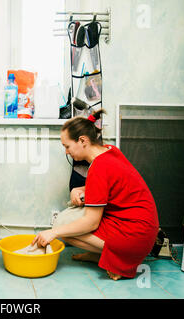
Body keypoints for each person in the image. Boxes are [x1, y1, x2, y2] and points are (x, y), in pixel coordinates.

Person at [32, 109, 159, 280]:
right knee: (68, 220)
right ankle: (104, 257)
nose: (66, 152)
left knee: (61, 226)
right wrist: (81, 189)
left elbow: (91, 223)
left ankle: (118, 260)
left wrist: (53, 233)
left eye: (67, 146)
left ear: (82, 140)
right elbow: (114, 183)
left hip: (134, 237)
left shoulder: (99, 167)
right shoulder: (109, 151)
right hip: (143, 229)